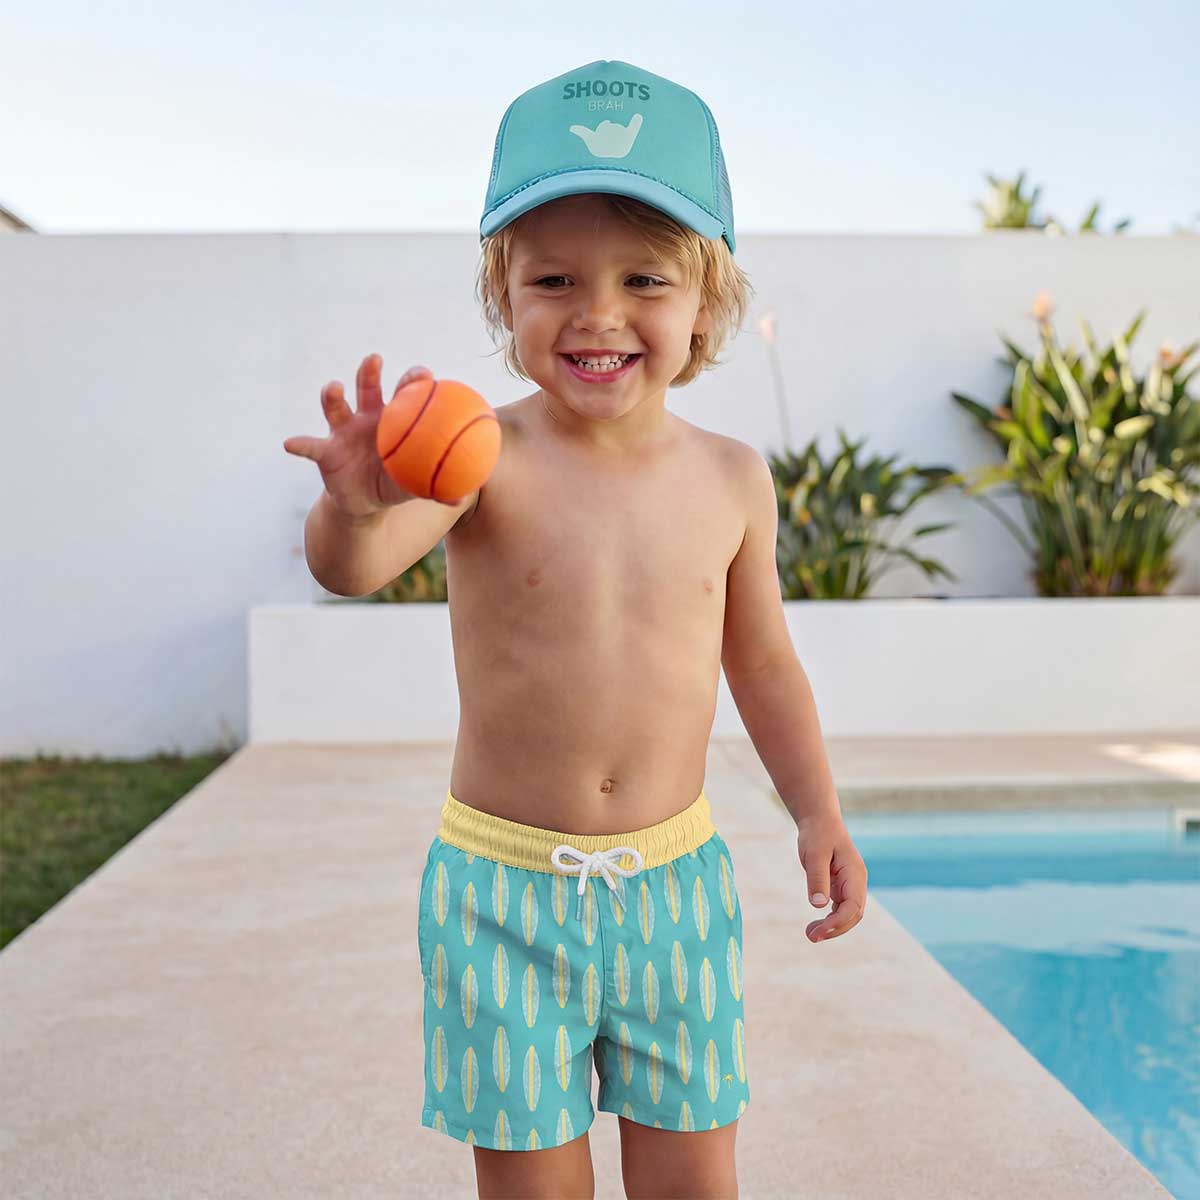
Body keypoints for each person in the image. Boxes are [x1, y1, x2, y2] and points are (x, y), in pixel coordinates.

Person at [284, 58, 867, 1200]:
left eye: (644, 277)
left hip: (673, 890)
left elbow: (762, 664)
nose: (598, 313)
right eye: (553, 278)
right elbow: (354, 571)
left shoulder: (732, 478)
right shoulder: (478, 455)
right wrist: (353, 507)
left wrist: (818, 810)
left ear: (707, 303)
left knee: (694, 1180)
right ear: (504, 299)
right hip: (501, 894)